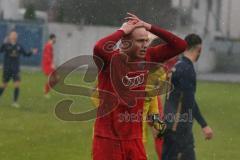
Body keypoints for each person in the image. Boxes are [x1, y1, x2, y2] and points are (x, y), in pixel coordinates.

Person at [92, 13, 187, 160]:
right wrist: (122, 31)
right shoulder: (110, 60)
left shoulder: (148, 57)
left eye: (146, 41)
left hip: (135, 140)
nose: (145, 45)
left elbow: (180, 45)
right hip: (107, 140)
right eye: (140, 41)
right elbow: (99, 48)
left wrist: (149, 26)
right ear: (125, 43)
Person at [162, 34, 214, 160]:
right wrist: (204, 125)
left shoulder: (176, 66)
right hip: (180, 126)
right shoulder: (187, 69)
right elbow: (189, 101)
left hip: (169, 123)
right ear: (199, 49)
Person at [0, 31, 37, 107]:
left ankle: (15, 102)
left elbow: (26, 54)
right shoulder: (6, 45)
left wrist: (32, 52)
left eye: (15, 35)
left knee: (17, 85)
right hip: (7, 69)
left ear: (16, 37)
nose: (14, 36)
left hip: (15, 69)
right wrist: (3, 44)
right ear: (10, 36)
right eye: (12, 35)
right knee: (4, 85)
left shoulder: (19, 46)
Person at [42, 34, 58, 98]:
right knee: (52, 79)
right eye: (55, 39)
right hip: (48, 65)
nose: (56, 40)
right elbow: (47, 56)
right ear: (52, 38)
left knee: (57, 79)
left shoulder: (50, 46)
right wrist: (51, 64)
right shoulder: (48, 46)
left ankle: (47, 88)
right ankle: (46, 91)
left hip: (50, 64)